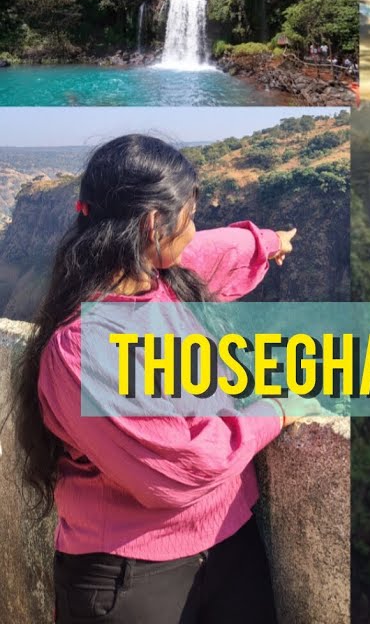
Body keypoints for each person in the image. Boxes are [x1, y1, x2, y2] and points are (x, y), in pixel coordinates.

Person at [6, 135, 311, 623]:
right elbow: (174, 470)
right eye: (188, 218)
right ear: (153, 224)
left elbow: (215, 248)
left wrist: (269, 242)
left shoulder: (158, 273)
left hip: (229, 547)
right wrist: (271, 413)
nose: (194, 231)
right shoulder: (85, 348)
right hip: (131, 579)